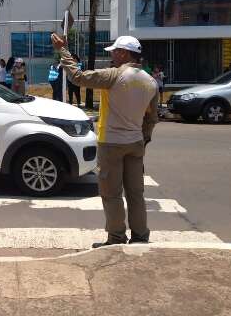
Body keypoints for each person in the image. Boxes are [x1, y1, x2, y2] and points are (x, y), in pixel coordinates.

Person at [51, 33, 158, 248]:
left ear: (124, 53)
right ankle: (140, 237)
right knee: (136, 194)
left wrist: (63, 50)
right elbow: (151, 118)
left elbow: (78, 77)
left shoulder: (114, 75)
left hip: (111, 143)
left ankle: (116, 238)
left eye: (115, 53)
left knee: (111, 194)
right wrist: (142, 140)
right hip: (135, 143)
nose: (112, 57)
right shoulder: (151, 82)